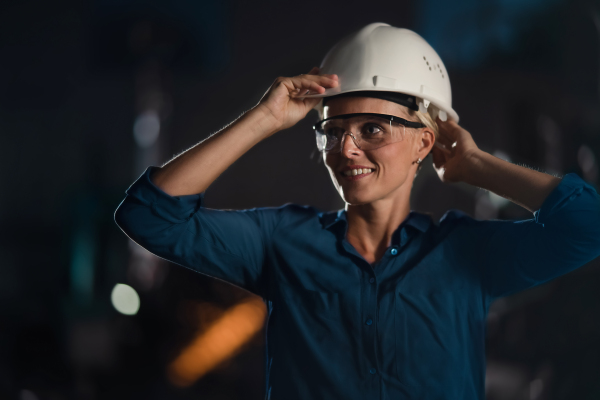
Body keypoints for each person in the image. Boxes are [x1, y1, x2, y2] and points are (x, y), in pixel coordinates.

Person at [115, 23, 600, 400]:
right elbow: (148, 215)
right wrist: (263, 119)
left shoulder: (466, 255)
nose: (345, 149)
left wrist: (476, 165)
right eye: (333, 129)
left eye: (373, 129)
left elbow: (587, 225)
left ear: (424, 143)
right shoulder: (281, 243)